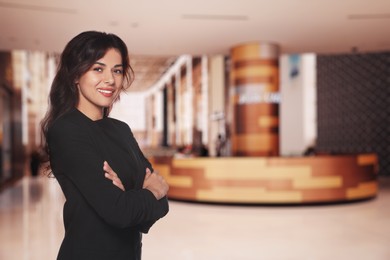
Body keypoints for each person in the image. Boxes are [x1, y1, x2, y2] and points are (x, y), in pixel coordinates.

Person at [40, 31, 169, 260]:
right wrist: (148, 192)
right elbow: (120, 212)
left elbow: (161, 204)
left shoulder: (121, 130)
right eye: (98, 69)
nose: (110, 79)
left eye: (117, 70)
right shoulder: (67, 130)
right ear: (75, 75)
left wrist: (135, 199)